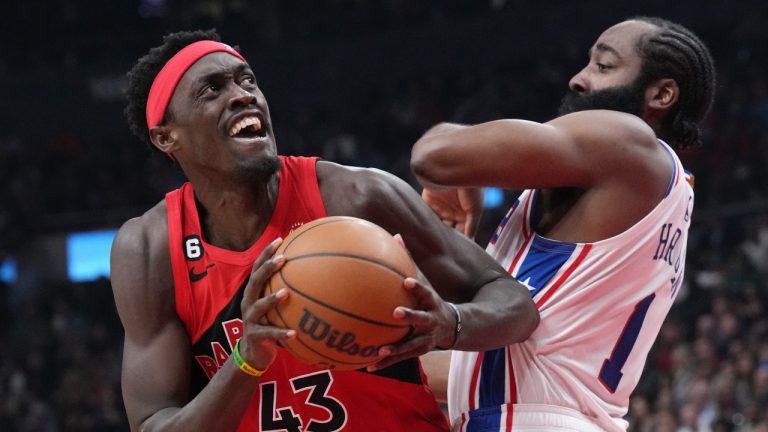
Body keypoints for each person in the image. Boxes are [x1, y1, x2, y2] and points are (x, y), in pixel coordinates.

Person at [110, 29, 539, 432]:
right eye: (212, 89)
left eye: (247, 81)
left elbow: (515, 303)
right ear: (167, 137)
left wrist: (452, 323)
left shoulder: (356, 197)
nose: (243, 96)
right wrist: (247, 360)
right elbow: (153, 423)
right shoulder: (150, 249)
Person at [410, 17, 715, 431]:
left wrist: (459, 164)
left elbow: (433, 155)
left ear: (661, 94)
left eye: (604, 66)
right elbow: (488, 372)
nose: (577, 79)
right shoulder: (645, 198)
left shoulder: (630, 140)